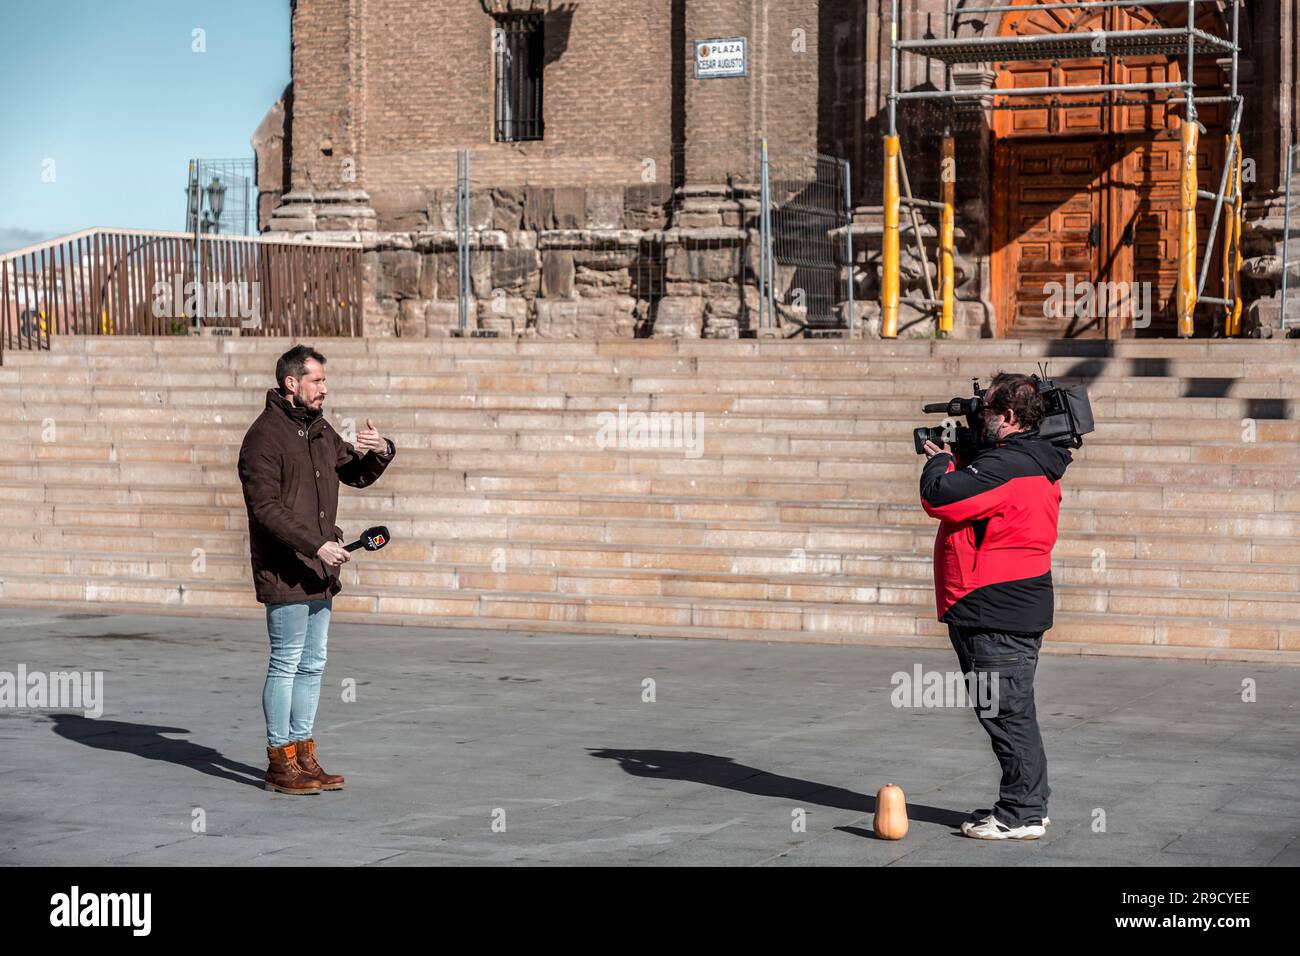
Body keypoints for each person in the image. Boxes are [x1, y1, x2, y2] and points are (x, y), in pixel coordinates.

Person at [919, 372, 1072, 840]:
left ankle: (1021, 813)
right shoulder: (1029, 459)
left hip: (995, 605)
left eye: (984, 410)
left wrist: (941, 460)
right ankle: (1029, 805)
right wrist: (966, 455)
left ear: (1007, 418)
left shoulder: (1010, 467)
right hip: (1006, 602)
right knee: (1010, 709)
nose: (975, 416)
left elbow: (940, 498)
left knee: (1006, 712)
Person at [237, 344, 396, 794]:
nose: (324, 388)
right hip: (286, 567)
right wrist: (316, 545)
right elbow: (264, 509)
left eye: (324, 381)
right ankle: (279, 758)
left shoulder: (320, 430)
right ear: (292, 383)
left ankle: (305, 754)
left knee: (313, 664)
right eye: (317, 381)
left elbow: (356, 472)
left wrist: (382, 450)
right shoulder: (264, 437)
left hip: (320, 568)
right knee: (286, 661)